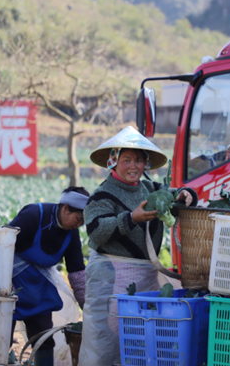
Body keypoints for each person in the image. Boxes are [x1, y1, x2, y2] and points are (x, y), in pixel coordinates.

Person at [79, 126, 197, 366]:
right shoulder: (101, 195)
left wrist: (186, 193)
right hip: (108, 276)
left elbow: (177, 194)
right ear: (113, 161)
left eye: (139, 160)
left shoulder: (151, 189)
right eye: (127, 160)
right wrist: (130, 218)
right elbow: (97, 232)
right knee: (105, 339)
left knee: (142, 338)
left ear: (146, 164)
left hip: (145, 276)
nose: (134, 166)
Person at [9, 186, 88, 366]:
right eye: (79, 219)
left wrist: (86, 306)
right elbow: (3, 245)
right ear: (66, 208)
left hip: (39, 288)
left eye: (83, 221)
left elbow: (76, 271)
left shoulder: (72, 234)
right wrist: (3, 284)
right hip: (12, 285)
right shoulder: (33, 215)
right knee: (2, 338)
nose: (79, 224)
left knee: (44, 337)